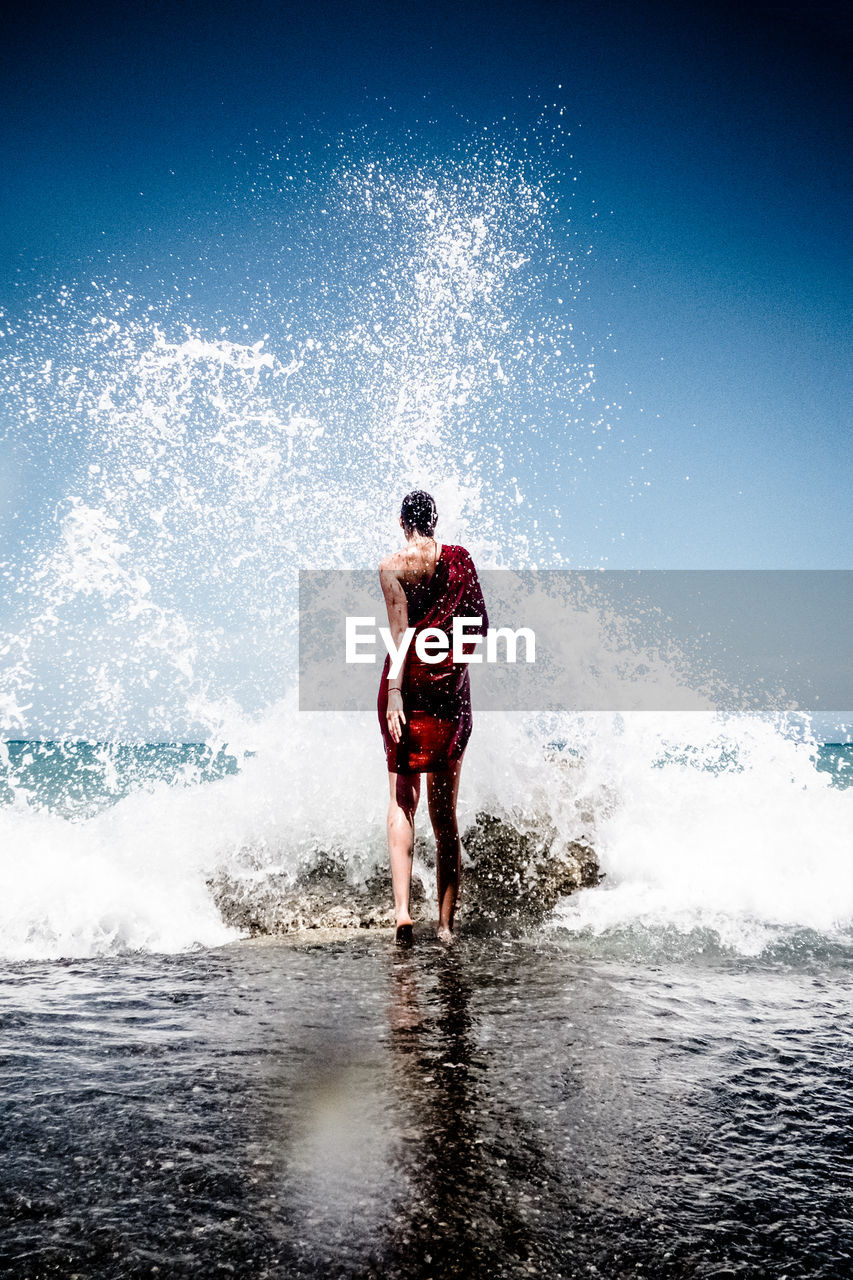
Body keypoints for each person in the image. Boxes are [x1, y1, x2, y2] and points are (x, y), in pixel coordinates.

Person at [378, 490, 488, 946]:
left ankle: (403, 913)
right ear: (435, 519)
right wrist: (451, 668)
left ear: (403, 521)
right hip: (446, 688)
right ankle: (444, 928)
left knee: (403, 800)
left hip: (406, 684)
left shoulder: (390, 567)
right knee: (445, 817)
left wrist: (395, 693)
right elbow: (479, 623)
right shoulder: (460, 559)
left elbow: (400, 632)